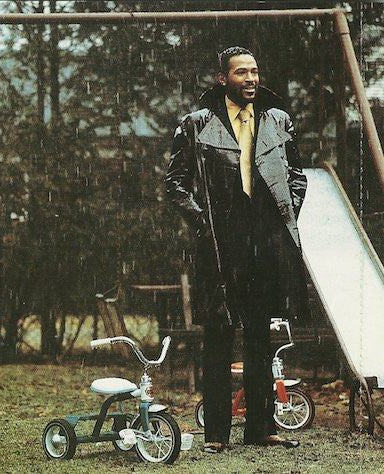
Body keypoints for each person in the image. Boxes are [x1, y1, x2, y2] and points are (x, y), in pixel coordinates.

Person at [165, 46, 309, 453]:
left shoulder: (278, 120)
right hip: (220, 245)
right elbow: (175, 183)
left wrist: (284, 215)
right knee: (218, 338)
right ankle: (215, 434)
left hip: (265, 243)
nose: (251, 79)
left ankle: (262, 428)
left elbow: (296, 176)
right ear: (222, 79)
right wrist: (203, 224)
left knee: (261, 337)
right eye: (241, 72)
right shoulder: (197, 124)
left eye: (254, 71)